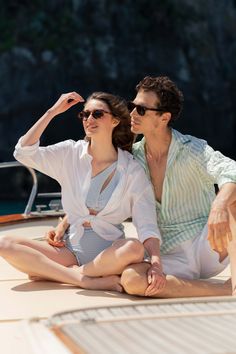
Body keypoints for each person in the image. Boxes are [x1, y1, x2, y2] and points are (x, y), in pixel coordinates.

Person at [0, 91, 165, 293]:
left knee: (134, 248)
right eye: (85, 115)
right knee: (5, 243)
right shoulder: (70, 153)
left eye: (97, 114)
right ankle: (82, 279)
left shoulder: (132, 170)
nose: (89, 119)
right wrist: (52, 112)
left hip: (109, 255)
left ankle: (59, 272)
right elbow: (23, 152)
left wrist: (156, 264)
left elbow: (147, 225)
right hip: (70, 250)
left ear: (114, 120)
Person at [120, 75, 236, 297]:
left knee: (232, 200)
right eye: (131, 106)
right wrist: (67, 223)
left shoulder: (192, 149)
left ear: (164, 117)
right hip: (169, 255)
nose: (132, 113)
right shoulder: (132, 159)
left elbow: (231, 170)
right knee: (131, 279)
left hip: (209, 245)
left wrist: (219, 205)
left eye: (141, 109)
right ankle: (220, 289)